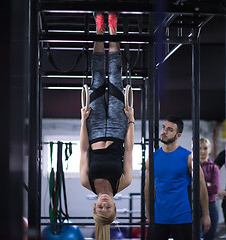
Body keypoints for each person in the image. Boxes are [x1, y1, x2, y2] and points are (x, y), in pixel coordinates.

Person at [79, 12, 134, 240]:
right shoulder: (124, 181)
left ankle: (99, 28)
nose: (104, 205)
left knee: (98, 78)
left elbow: (83, 150)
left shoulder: (86, 181)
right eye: (107, 208)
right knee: (115, 76)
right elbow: (129, 150)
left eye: (100, 209)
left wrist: (83, 121)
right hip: (118, 128)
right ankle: (113, 28)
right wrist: (131, 120)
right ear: (114, 206)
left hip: (94, 125)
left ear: (94, 208)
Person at [145, 116, 211, 240]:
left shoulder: (188, 157)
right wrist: (148, 211)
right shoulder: (152, 158)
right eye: (164, 127)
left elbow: (201, 186)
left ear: (178, 135)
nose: (164, 131)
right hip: (159, 218)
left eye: (170, 129)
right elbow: (149, 187)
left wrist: (206, 214)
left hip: (182, 218)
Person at [199, 138, 220, 240]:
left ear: (210, 149)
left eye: (205, 148)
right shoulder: (190, 167)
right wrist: (207, 184)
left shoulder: (214, 168)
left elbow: (215, 189)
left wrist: (199, 186)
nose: (202, 151)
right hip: (193, 207)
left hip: (210, 207)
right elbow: (188, 186)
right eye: (199, 148)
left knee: (209, 237)